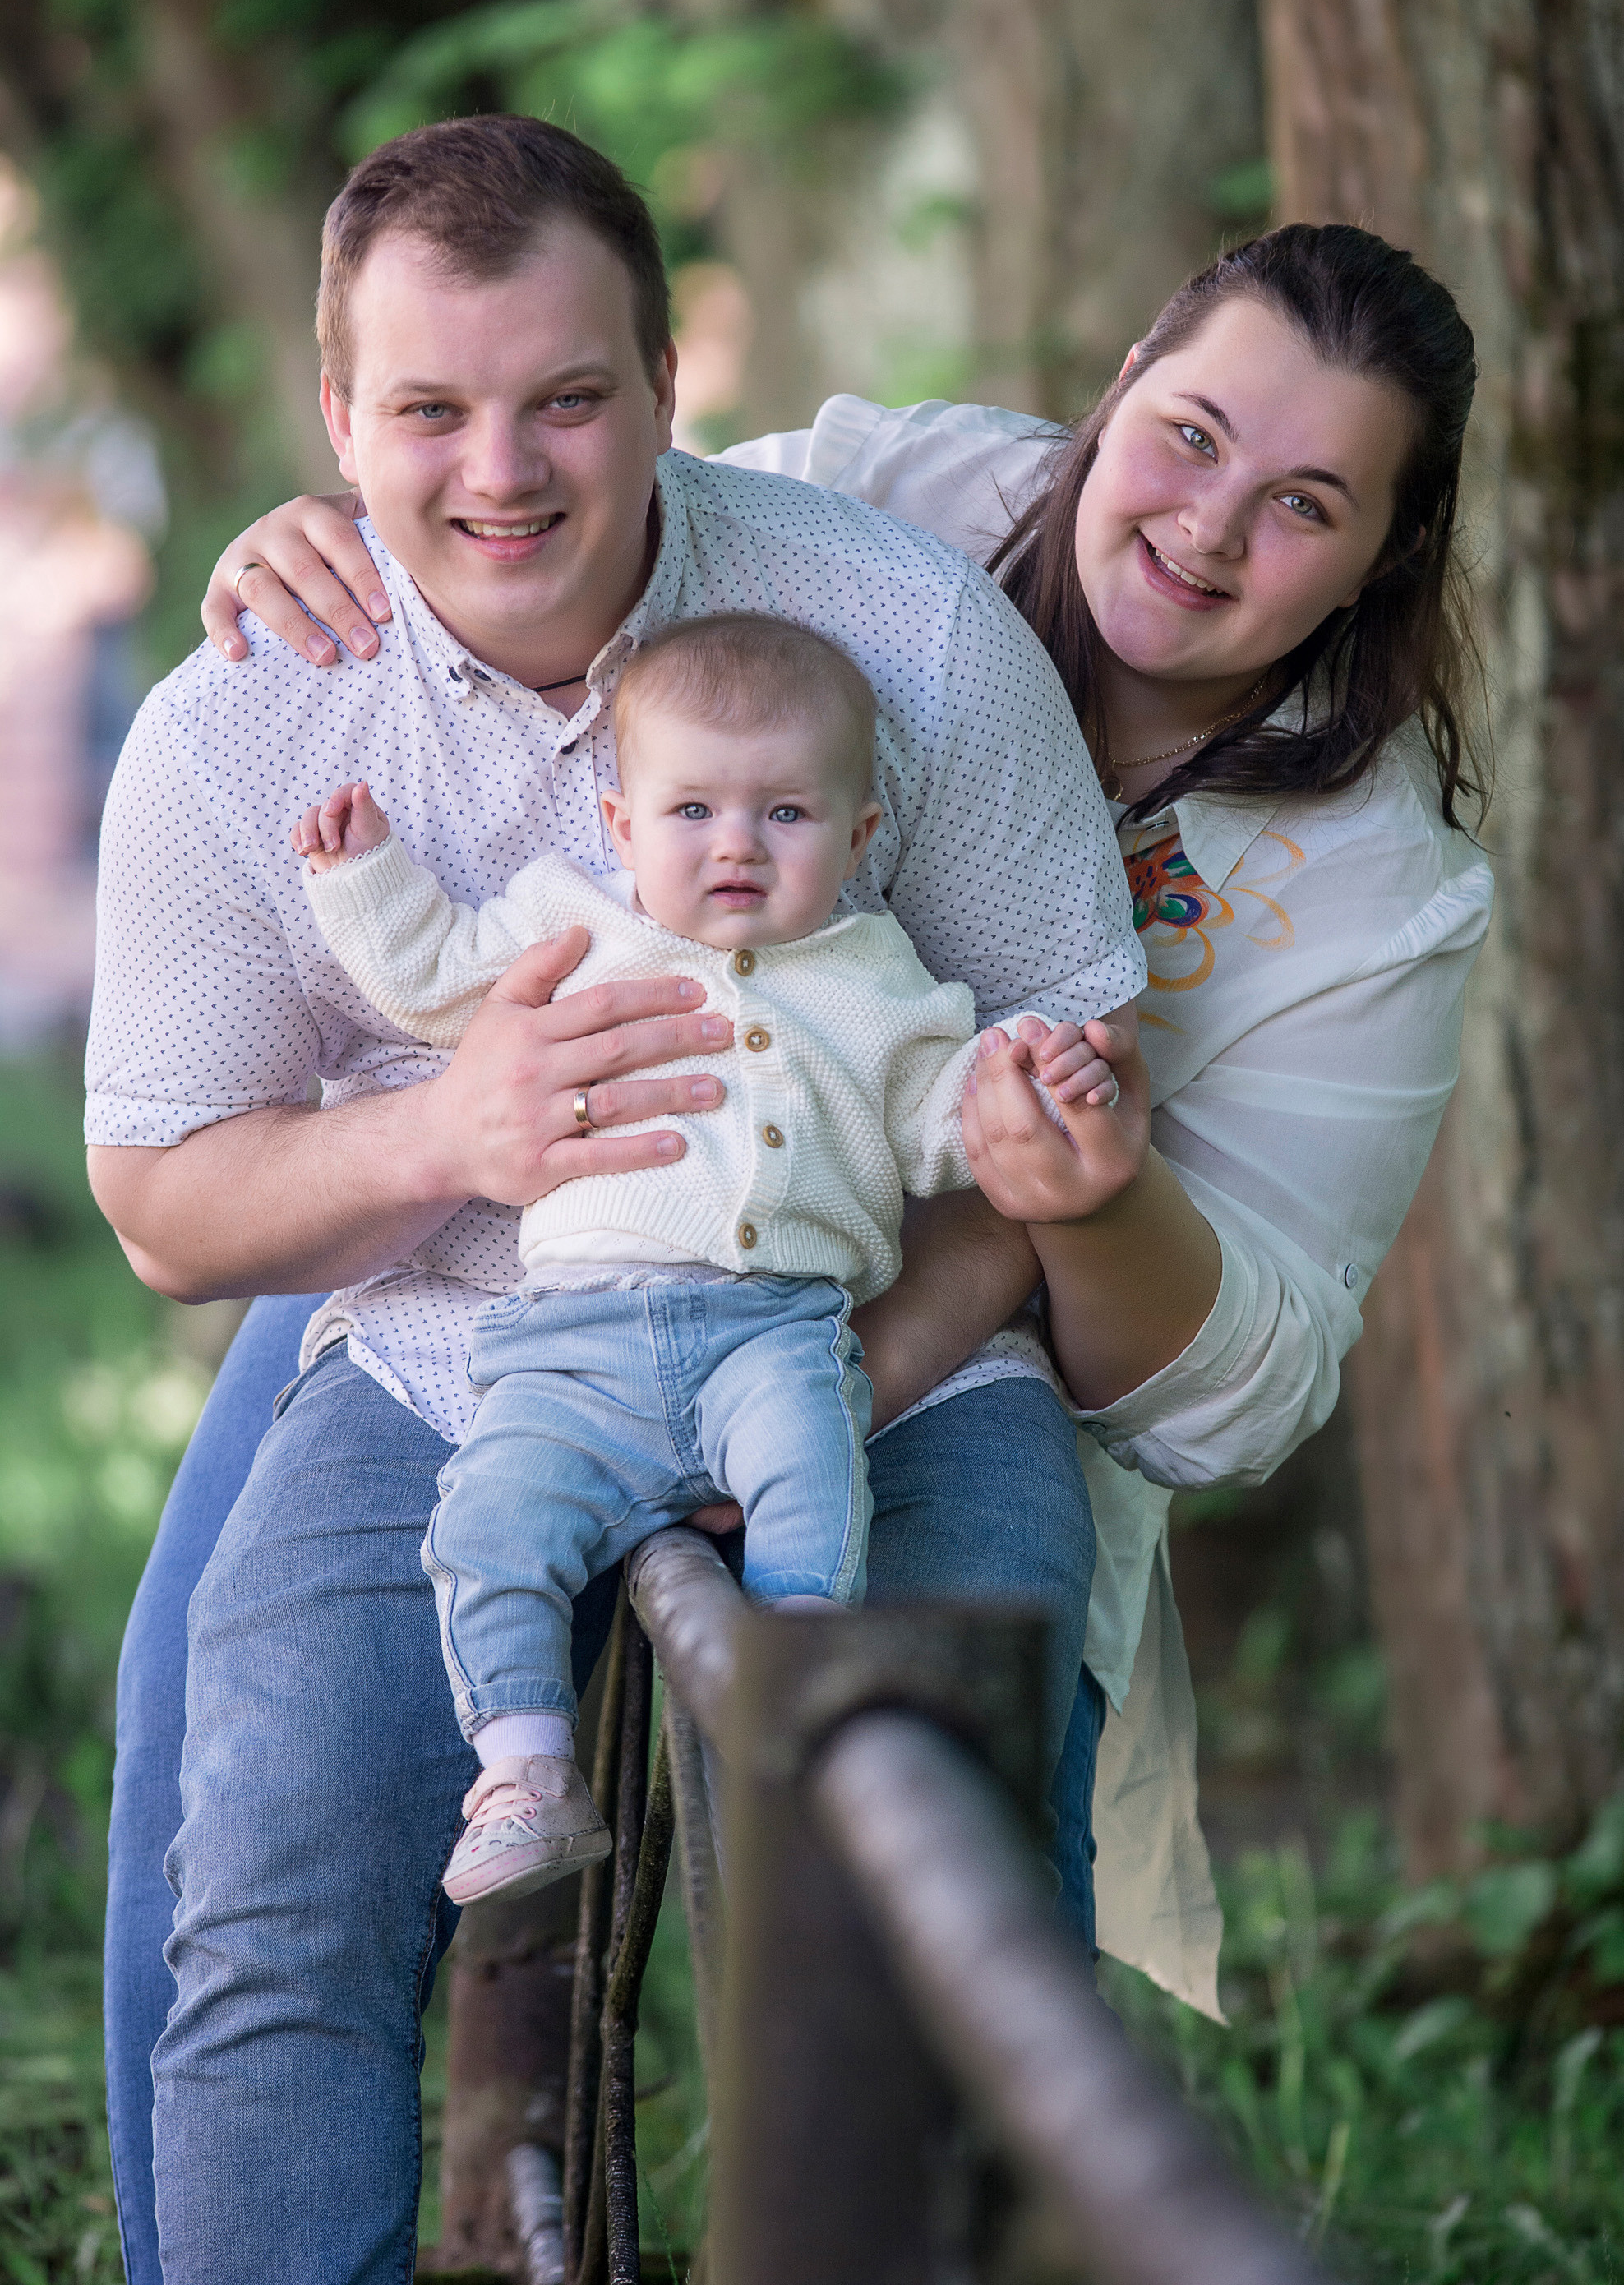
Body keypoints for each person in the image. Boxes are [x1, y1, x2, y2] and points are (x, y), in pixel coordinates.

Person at [210, 214, 1495, 2025]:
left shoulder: (1376, 890)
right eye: (1190, 435)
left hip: (937, 1353)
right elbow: (544, 547)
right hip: (516, 1228)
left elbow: (1247, 1398)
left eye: (1306, 504)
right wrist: (345, 544)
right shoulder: (885, 496)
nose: (1208, 523)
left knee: (920, 1860)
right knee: (247, 1732)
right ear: (1118, 385)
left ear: (1380, 559)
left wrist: (1066, 1216)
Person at [91, 114, 1146, 2285]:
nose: (503, 473)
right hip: (449, 1350)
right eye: (428, 412)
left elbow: (1053, 1102)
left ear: (671, 383)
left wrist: (857, 1370)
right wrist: (443, 1141)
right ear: (335, 418)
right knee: (272, 1898)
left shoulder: (903, 641)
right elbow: (165, 1213)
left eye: (568, 395)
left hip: (875, 1353)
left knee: (936, 1886)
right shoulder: (243, 726)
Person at [291, 612, 1120, 1904]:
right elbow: (437, 975)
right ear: (622, 829)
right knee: (489, 1522)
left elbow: (945, 1122)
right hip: (571, 1345)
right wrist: (366, 877)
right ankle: (521, 1768)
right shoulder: (571, 925)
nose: (735, 843)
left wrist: (1025, 1084)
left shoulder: (878, 978)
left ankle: (796, 1684)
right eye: (692, 811)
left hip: (776, 1331)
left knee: (813, 1461)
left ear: (859, 839)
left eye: (786, 814)